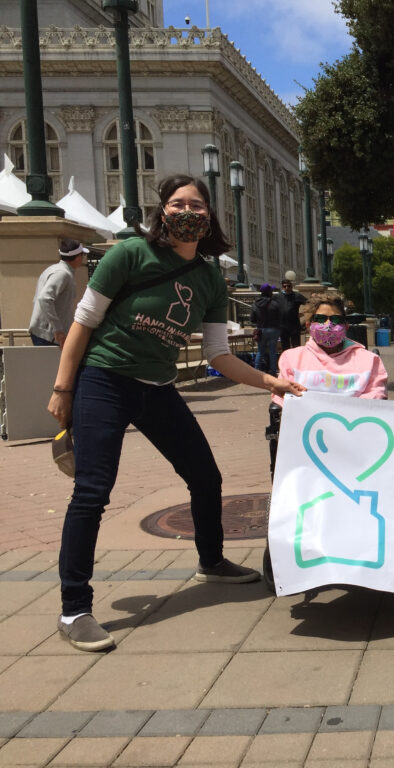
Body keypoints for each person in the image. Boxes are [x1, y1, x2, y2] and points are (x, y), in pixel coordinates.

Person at [47, 174, 306, 653]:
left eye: (198, 205)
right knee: (92, 491)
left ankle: (211, 561)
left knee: (205, 477)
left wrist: (270, 381)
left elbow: (217, 355)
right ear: (161, 211)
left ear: (209, 216)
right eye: (177, 203)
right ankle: (74, 608)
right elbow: (83, 323)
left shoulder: (209, 277)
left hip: (158, 387)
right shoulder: (129, 256)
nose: (188, 211)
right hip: (105, 380)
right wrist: (64, 388)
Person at [273, 293, 388, 406]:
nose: (328, 325)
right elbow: (281, 397)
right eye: (321, 318)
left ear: (346, 326)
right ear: (309, 324)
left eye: (336, 320)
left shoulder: (369, 360)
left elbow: (376, 395)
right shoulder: (292, 358)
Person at [29, 239, 88, 347]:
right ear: (78, 257)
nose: (83, 258)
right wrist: (58, 329)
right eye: (83, 255)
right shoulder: (62, 274)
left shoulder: (53, 269)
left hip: (46, 334)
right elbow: (44, 299)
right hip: (49, 336)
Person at [251, 282, 283, 375]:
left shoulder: (255, 304)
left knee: (260, 351)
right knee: (273, 351)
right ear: (269, 292)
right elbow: (281, 316)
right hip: (274, 329)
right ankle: (273, 371)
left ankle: (256, 372)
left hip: (261, 329)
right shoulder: (275, 304)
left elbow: (252, 319)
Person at [278, 274, 307, 350]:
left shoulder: (297, 296)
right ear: (282, 287)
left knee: (296, 346)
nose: (287, 288)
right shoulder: (278, 296)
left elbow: (308, 303)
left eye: (288, 286)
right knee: (285, 346)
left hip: (294, 325)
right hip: (283, 325)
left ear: (291, 286)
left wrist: (305, 317)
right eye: (284, 286)